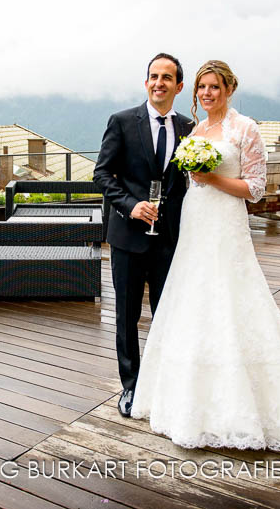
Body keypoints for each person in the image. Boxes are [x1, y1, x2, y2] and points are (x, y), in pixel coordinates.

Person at [130, 60, 280, 451]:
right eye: (201, 88)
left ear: (228, 89)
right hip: (195, 221)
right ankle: (187, 402)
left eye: (214, 87)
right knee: (193, 298)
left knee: (231, 296)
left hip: (226, 223)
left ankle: (243, 405)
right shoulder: (195, 130)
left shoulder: (246, 128)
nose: (207, 93)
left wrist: (213, 179)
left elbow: (256, 188)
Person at [93, 53, 194, 418]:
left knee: (167, 313)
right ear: (145, 81)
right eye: (153, 76)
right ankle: (132, 385)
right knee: (127, 314)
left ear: (179, 86)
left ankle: (164, 380)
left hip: (170, 239)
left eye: (167, 77)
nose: (159, 83)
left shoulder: (188, 128)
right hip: (128, 238)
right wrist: (131, 206)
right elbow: (102, 176)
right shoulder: (120, 122)